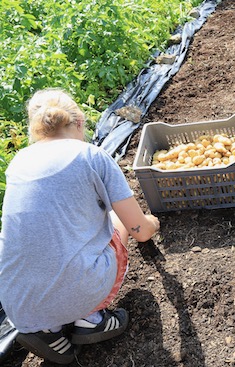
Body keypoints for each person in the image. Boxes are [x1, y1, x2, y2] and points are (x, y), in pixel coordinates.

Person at [0, 88, 160, 364]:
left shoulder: (18, 162)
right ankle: (91, 319)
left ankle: (47, 332)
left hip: (17, 304)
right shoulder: (91, 156)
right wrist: (152, 223)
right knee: (116, 220)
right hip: (78, 290)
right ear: (81, 122)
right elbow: (139, 230)